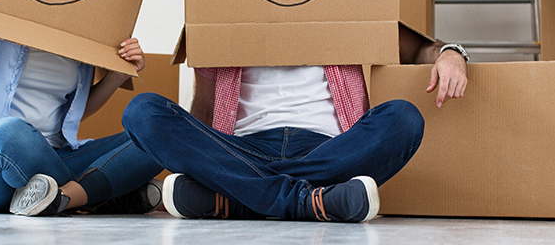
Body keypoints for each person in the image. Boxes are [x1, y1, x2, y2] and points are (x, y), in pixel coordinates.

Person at [122, 30, 468, 223]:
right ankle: (307, 201)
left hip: (329, 149)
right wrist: (202, 158)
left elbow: (421, 46)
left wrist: (450, 53)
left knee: (403, 118)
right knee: (142, 112)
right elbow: (205, 109)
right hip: (245, 151)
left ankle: (241, 201)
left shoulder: (345, 1)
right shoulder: (221, 13)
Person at [0, 0, 163, 217]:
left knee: (159, 133)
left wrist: (116, 77)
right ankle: (101, 192)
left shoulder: (83, 31)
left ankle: (63, 197)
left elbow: (74, 114)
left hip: (55, 159)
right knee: (10, 131)